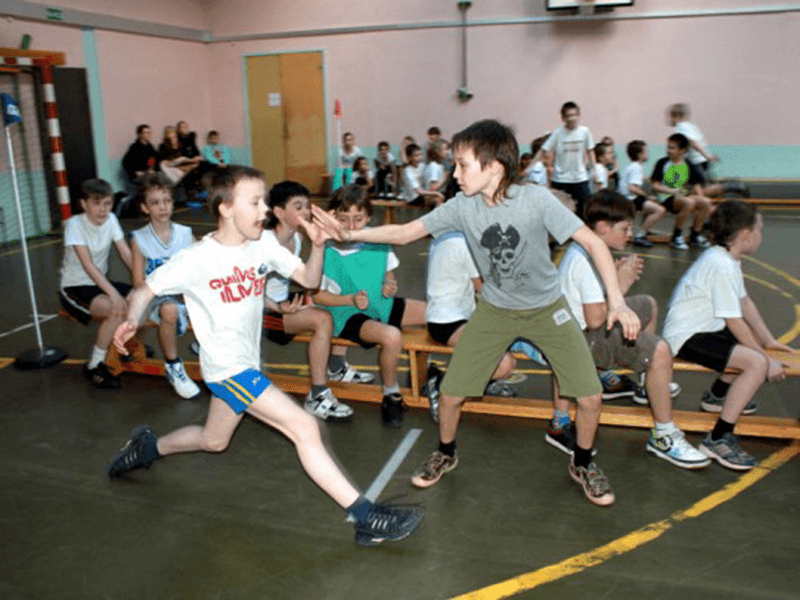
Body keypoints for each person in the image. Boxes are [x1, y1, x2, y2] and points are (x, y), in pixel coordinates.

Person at [312, 119, 641, 507]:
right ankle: (446, 452)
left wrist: (617, 300)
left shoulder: (536, 200)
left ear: (494, 168)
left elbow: (593, 243)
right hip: (496, 311)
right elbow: (403, 233)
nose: (455, 173)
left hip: (547, 309)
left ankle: (583, 463)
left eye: (463, 164)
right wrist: (348, 235)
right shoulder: (463, 206)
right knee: (451, 395)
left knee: (589, 397)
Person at [106, 165, 424, 546]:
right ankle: (365, 517)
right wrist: (131, 321)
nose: (264, 210)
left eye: (264, 201)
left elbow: (308, 280)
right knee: (304, 427)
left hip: (246, 363)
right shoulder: (196, 259)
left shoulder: (264, 246)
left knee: (214, 440)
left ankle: (148, 447)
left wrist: (319, 245)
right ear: (225, 208)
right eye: (255, 202)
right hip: (226, 370)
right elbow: (146, 289)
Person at [551, 190, 708, 469]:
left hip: (582, 330)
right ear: (603, 228)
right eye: (625, 228)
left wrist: (618, 278)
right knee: (660, 350)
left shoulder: (589, 249)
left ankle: (649, 385)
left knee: (647, 303)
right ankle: (664, 434)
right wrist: (621, 286)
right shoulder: (584, 261)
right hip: (580, 342)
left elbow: (598, 301)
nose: (630, 233)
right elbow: (597, 319)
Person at [662, 200, 795, 470]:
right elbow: (733, 320)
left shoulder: (728, 258)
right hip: (687, 335)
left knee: (750, 347)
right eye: (759, 229)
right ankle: (718, 438)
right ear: (745, 235)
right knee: (755, 363)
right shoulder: (720, 264)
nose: (761, 235)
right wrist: (764, 357)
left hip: (705, 326)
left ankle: (717, 396)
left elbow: (745, 303)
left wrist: (768, 342)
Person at [313, 185, 427, 427]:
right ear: (333, 216)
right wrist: (350, 299)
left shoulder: (379, 239)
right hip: (346, 312)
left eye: (358, 219)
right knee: (392, 337)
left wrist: (389, 284)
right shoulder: (327, 249)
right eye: (344, 219)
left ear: (368, 217)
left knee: (435, 313)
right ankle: (391, 393)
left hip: (378, 304)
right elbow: (318, 297)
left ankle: (430, 375)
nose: (352, 226)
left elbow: (390, 275)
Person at [262, 180, 353, 422]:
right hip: (262, 317)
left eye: (307, 206)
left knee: (335, 299)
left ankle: (337, 365)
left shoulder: (297, 239)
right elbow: (250, 288)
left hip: (283, 304)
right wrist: (276, 307)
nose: (305, 212)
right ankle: (317, 394)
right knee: (322, 319)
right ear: (279, 212)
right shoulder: (263, 242)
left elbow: (298, 280)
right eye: (298, 206)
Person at [424, 230, 518, 423]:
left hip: (448, 316)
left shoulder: (446, 235)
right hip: (448, 323)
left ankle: (483, 382)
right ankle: (442, 384)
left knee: (507, 337)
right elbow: (485, 289)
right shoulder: (465, 244)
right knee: (504, 364)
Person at [129, 172, 200, 399]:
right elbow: (139, 281)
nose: (163, 207)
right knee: (169, 309)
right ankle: (173, 365)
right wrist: (167, 291)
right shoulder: (139, 238)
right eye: (155, 203)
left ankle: (206, 346)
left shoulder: (185, 234)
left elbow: (201, 267)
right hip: (156, 295)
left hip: (184, 292)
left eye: (167, 201)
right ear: (145, 208)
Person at [58, 179, 133, 389]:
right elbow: (89, 266)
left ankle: (124, 345)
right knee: (115, 309)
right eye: (97, 203)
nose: (103, 210)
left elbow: (126, 254)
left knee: (139, 299)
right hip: (75, 287)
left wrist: (143, 282)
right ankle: (94, 365)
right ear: (84, 204)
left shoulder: (111, 220)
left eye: (107, 204)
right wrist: (115, 295)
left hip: (100, 283)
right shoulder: (74, 225)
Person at [668, 103, 749, 199]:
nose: (669, 119)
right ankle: (728, 187)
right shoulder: (690, 126)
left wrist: (707, 156)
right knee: (695, 191)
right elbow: (700, 141)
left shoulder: (680, 128)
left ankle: (730, 187)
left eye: (670, 116)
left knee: (700, 191)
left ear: (676, 116)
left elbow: (692, 143)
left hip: (695, 163)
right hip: (699, 161)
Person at [650, 133, 712, 250]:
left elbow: (695, 185)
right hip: (666, 198)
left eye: (672, 148)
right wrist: (672, 191)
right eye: (668, 147)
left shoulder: (688, 164)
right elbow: (655, 186)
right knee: (689, 202)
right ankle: (676, 236)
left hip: (683, 197)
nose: (668, 150)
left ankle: (695, 235)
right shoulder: (662, 163)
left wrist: (702, 200)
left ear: (682, 150)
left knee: (706, 202)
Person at [541, 101, 595, 217]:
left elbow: (590, 151)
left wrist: (594, 169)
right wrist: (535, 165)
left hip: (580, 178)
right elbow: (545, 148)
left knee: (585, 210)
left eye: (574, 115)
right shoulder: (558, 132)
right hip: (561, 179)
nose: (572, 118)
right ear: (563, 118)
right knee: (559, 212)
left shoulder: (585, 131)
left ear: (579, 115)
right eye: (569, 116)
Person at [618, 140, 666, 248]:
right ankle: (640, 235)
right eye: (646, 152)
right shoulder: (636, 168)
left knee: (649, 206)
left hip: (627, 197)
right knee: (660, 210)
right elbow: (632, 188)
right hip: (628, 199)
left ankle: (644, 229)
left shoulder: (634, 166)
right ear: (640, 155)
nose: (648, 154)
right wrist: (647, 195)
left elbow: (638, 180)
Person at [399, 143, 444, 208]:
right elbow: (419, 191)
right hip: (412, 197)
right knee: (436, 199)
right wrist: (436, 193)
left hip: (422, 194)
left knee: (438, 199)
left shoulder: (422, 165)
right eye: (416, 155)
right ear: (410, 157)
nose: (419, 157)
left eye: (420, 154)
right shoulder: (408, 171)